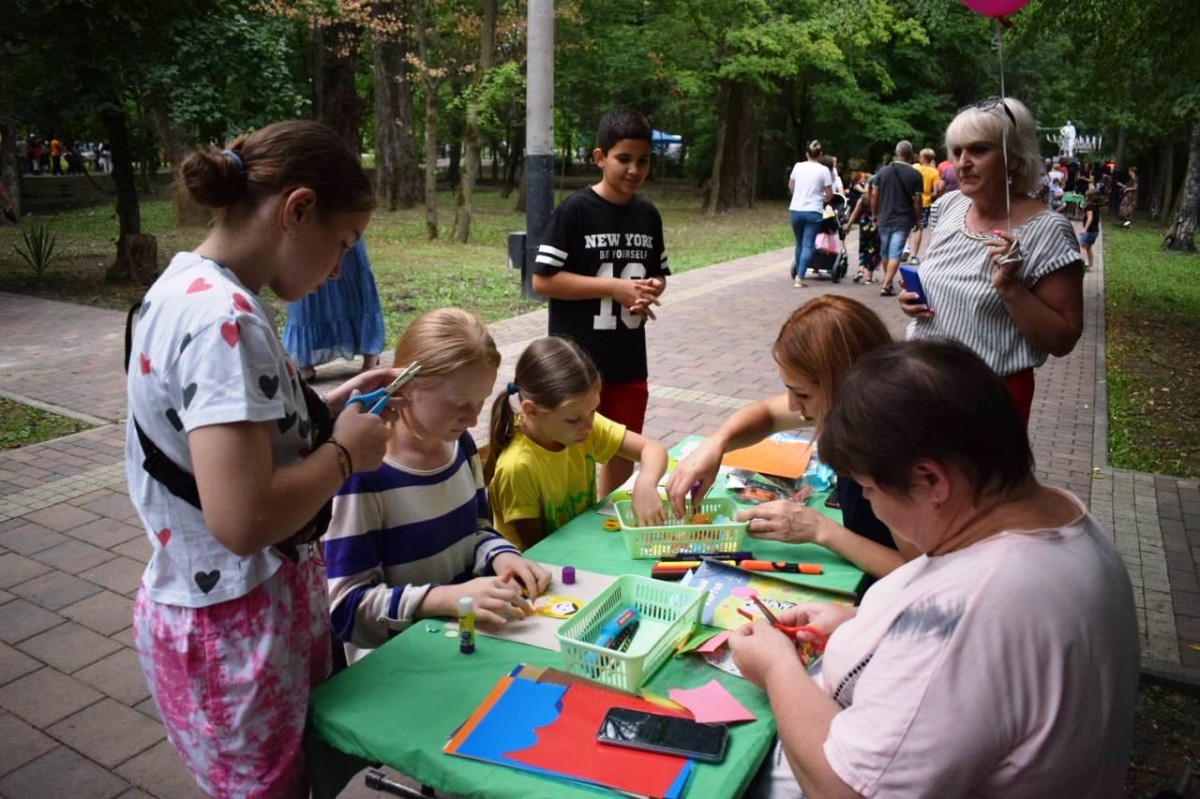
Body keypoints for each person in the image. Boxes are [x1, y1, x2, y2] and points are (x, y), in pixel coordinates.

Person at [731, 340, 1138, 798]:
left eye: (868, 489)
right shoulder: (1059, 523)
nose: (869, 504)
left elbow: (846, 790)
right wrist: (867, 624)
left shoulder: (980, 610)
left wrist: (776, 668)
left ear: (931, 481)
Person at [126, 120, 398, 799]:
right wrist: (345, 453)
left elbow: (215, 442)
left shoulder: (187, 286)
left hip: (225, 614)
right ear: (297, 209)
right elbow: (243, 517)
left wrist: (323, 406)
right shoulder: (226, 318)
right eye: (342, 245)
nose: (339, 269)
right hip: (237, 629)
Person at [324, 308, 551, 664]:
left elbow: (475, 530)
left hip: (459, 645)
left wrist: (501, 554)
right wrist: (447, 599)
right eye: (458, 404)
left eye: (480, 402)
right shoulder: (363, 474)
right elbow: (346, 609)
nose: (473, 418)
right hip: (393, 668)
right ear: (404, 388)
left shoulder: (460, 445)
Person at [666, 296, 913, 580]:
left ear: (847, 382)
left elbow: (919, 573)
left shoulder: (894, 453)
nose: (794, 406)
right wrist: (715, 444)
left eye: (803, 394)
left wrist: (820, 530)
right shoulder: (860, 408)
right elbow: (768, 414)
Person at [899, 97, 1084, 424]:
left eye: (979, 150)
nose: (963, 162)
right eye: (957, 152)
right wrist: (913, 299)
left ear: (1014, 159)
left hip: (988, 398)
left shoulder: (1049, 231)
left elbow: (1063, 339)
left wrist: (1010, 287)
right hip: (922, 381)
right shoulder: (950, 205)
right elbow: (945, 281)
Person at [532, 109, 668, 500]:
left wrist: (651, 288)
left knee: (621, 447)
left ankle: (609, 515)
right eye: (623, 158)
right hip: (576, 361)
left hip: (627, 359)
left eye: (643, 160)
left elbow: (657, 274)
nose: (633, 169)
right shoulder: (575, 210)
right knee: (571, 444)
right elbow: (543, 279)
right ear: (600, 157)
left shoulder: (648, 214)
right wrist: (613, 288)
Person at [485, 336, 669, 551]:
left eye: (593, 411)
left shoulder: (580, 423)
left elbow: (653, 450)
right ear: (531, 411)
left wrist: (645, 483)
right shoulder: (517, 468)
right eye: (573, 419)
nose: (589, 426)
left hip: (581, 548)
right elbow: (541, 552)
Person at [283, 237, 386, 381]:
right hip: (303, 228)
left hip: (340, 223)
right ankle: (303, 361)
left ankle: (370, 355)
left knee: (351, 280)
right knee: (304, 284)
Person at [871, 140, 923, 297]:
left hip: (884, 217)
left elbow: (874, 194)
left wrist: (874, 214)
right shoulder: (915, 174)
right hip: (903, 219)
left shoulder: (883, 171)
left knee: (885, 252)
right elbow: (918, 200)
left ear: (897, 153)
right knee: (895, 253)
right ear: (910, 155)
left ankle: (887, 283)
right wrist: (918, 218)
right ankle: (886, 284)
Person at [786, 139, 834, 288]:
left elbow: (791, 186)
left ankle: (799, 272)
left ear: (807, 154)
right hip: (813, 211)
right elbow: (829, 194)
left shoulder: (797, 166)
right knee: (808, 244)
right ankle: (800, 278)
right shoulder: (824, 170)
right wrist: (823, 199)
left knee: (799, 243)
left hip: (796, 209)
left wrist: (798, 195)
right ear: (820, 155)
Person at [844, 174, 881, 284]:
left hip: (864, 225)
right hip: (876, 225)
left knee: (863, 247)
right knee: (874, 250)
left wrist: (849, 225)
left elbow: (855, 213)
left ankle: (860, 270)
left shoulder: (864, 198)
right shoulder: (881, 197)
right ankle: (869, 277)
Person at [906, 148, 940, 264]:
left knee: (907, 224)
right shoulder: (934, 172)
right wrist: (928, 194)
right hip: (925, 203)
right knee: (919, 227)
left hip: (911, 200)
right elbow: (935, 192)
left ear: (923, 158)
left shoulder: (915, 167)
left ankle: (905, 247)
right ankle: (914, 255)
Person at [1080, 188, 1103, 269]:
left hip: (1089, 231)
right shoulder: (1097, 205)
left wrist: (1084, 229)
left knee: (1081, 246)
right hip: (1095, 231)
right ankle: (1091, 266)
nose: (1085, 197)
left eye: (1086, 196)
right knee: (1088, 248)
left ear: (1089, 197)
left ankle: (1084, 262)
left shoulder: (1089, 206)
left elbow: (1090, 218)